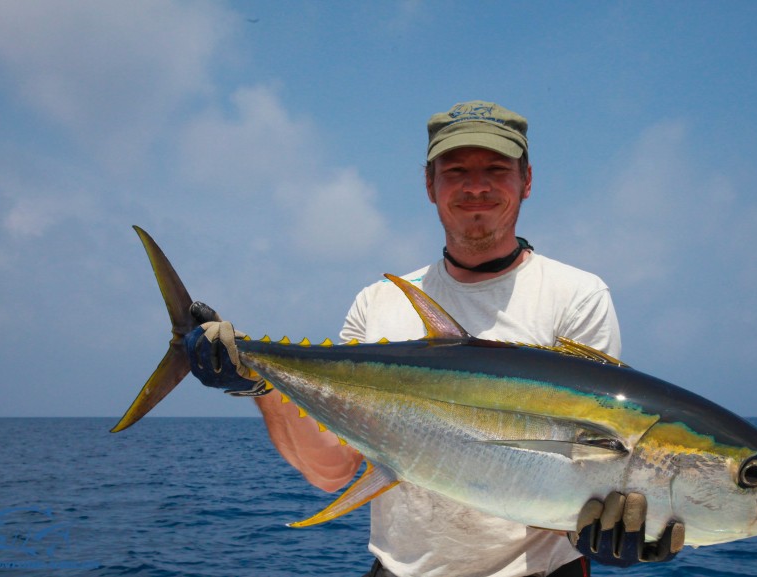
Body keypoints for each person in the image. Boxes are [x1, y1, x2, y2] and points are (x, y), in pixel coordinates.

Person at [185, 101, 683, 576]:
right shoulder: (377, 303)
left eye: (496, 169)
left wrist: (606, 530)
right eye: (456, 171)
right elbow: (333, 471)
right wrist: (259, 385)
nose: (476, 187)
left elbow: (592, 467)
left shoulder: (575, 295)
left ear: (526, 180)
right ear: (430, 185)